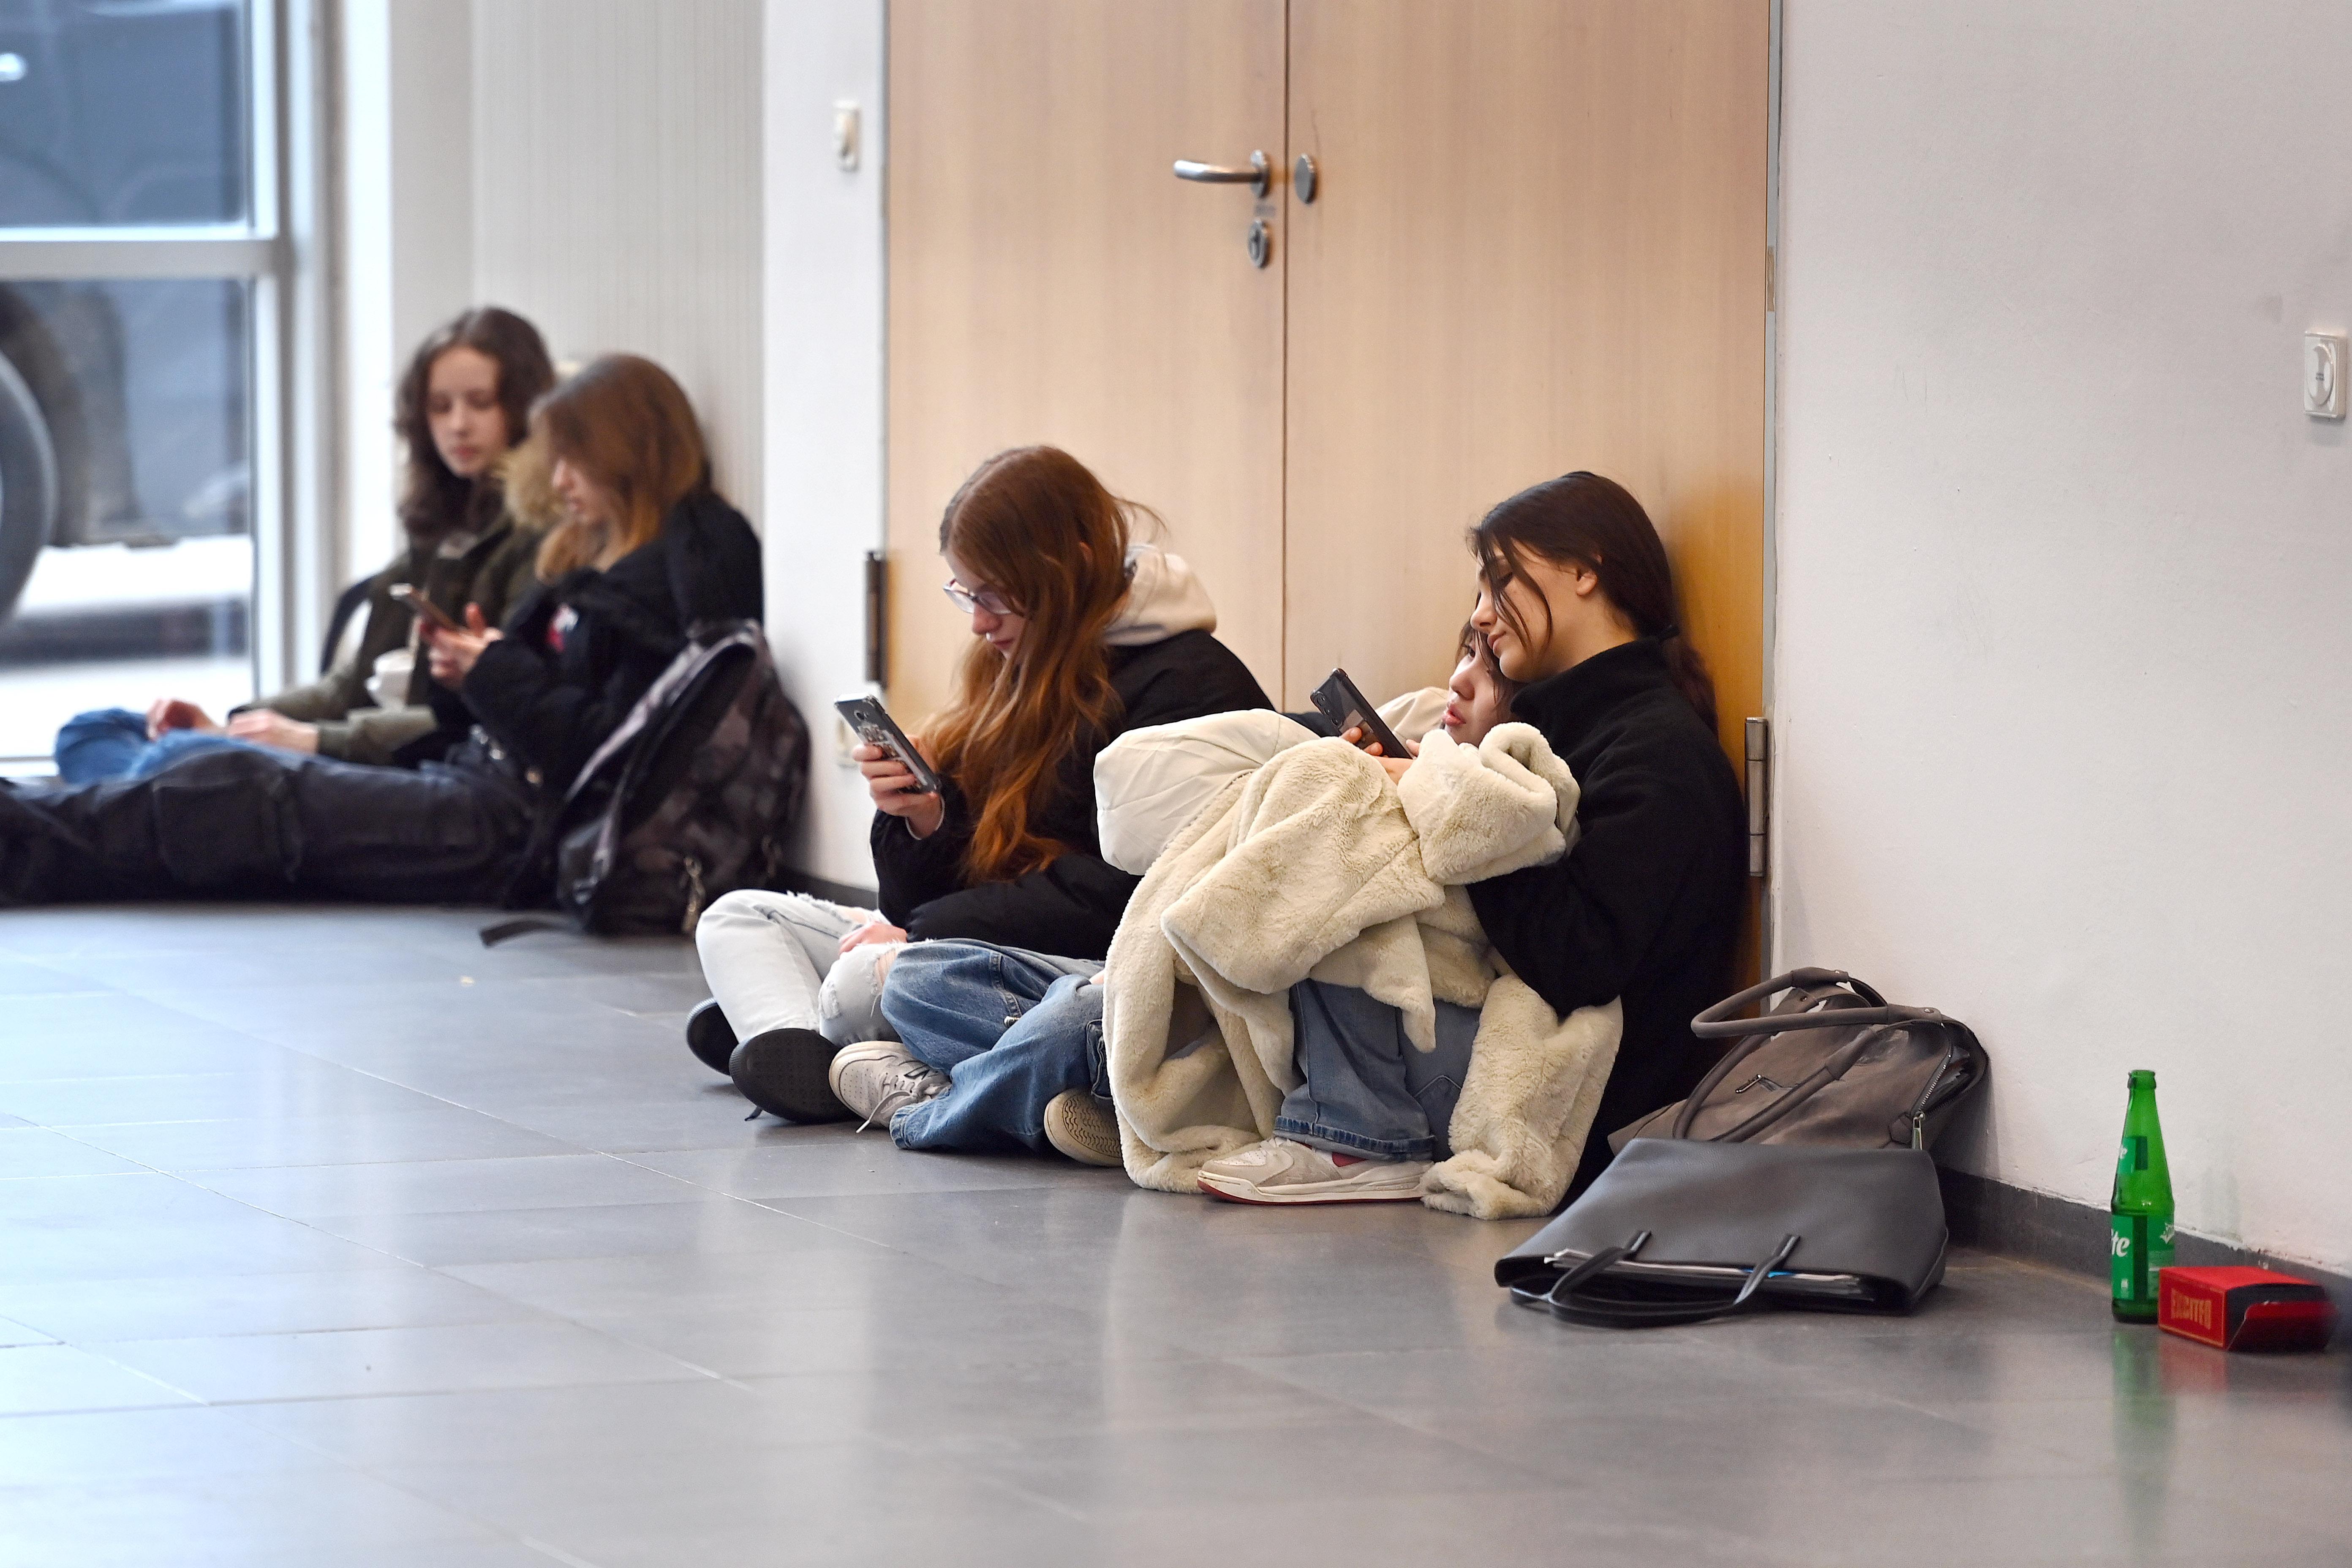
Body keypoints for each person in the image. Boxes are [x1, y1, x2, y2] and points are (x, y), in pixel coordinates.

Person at [0, 354, 761, 908]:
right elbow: (408, 697)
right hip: (466, 776)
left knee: (224, 783)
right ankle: (98, 799)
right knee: (151, 755)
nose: (558, 482)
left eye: (575, 460)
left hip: (507, 823)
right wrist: (477, 672)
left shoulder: (659, 588)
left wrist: (493, 671)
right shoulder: (575, 563)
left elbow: (600, 753)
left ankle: (48, 819)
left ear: (626, 456)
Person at [1193, 470, 1746, 1202]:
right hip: (1489, 1053)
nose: (1482, 617)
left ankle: (1359, 1134)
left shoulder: (1656, 749)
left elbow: (1578, 961)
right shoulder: (1573, 725)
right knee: (1336, 789)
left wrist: (1443, 801)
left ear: (1583, 570)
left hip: (1567, 1107)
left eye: (1498, 583)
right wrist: (1431, 785)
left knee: (1338, 804)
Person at [692, 444, 1270, 1123]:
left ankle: (809, 1032)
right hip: (973, 933)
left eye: (994, 595)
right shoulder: (1015, 659)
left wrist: (927, 935)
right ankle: (817, 1053)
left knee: (876, 978)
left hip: (1080, 955)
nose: (978, 620)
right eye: (967, 592)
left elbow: (1123, 893)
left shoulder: (1187, 683)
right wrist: (924, 820)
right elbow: (913, 898)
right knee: (734, 918)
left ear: (1073, 567)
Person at [838, 623, 1531, 1169]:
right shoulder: (1413, 740)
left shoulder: (1495, 791)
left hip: (1228, 1020)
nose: (1458, 680)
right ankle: (1085, 1089)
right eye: (1463, 654)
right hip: (1148, 972)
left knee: (1071, 1015)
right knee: (916, 979)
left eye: (1487, 667)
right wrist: (922, 825)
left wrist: (1393, 785)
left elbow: (1211, 908)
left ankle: (929, 1104)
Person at [52, 308, 558, 782]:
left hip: (406, 770)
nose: (458, 425)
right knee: (92, 732)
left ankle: (151, 801)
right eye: (440, 407)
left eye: (480, 403)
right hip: (350, 749)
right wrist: (237, 724)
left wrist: (308, 740)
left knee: (170, 763)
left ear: (523, 410)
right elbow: (348, 684)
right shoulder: (435, 532)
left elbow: (464, 724)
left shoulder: (532, 541)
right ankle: (155, 802)